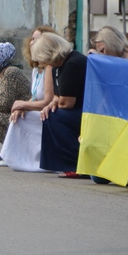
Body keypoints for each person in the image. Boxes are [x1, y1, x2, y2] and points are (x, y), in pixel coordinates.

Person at [0, 26, 56, 172]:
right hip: (40, 109)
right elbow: (34, 97)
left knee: (24, 117)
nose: (32, 43)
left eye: (37, 40)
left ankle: (22, 158)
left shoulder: (49, 67)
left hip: (49, 111)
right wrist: (23, 107)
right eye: (32, 39)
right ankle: (14, 156)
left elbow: (48, 100)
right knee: (18, 115)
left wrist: (22, 104)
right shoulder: (37, 69)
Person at [34, 32, 88, 175]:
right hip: (77, 110)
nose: (43, 63)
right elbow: (58, 97)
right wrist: (50, 105)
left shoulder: (73, 64)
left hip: (85, 111)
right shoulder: (58, 66)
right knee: (49, 115)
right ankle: (61, 163)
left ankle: (75, 163)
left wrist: (54, 105)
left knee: (54, 117)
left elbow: (68, 102)